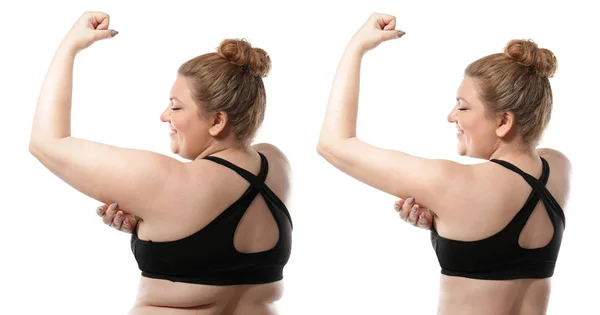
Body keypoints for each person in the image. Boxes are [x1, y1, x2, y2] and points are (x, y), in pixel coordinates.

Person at [29, 11, 293, 315]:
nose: (164, 116)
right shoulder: (276, 166)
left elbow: (46, 143)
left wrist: (69, 46)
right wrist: (150, 222)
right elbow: (214, 248)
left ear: (217, 121)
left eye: (176, 107)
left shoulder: (168, 181)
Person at [316, 12, 571, 315]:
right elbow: (499, 244)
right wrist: (443, 223)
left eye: (463, 107)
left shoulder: (452, 182)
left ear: (504, 121)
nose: (452, 116)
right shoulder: (558, 169)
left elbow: (333, 145)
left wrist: (356, 47)